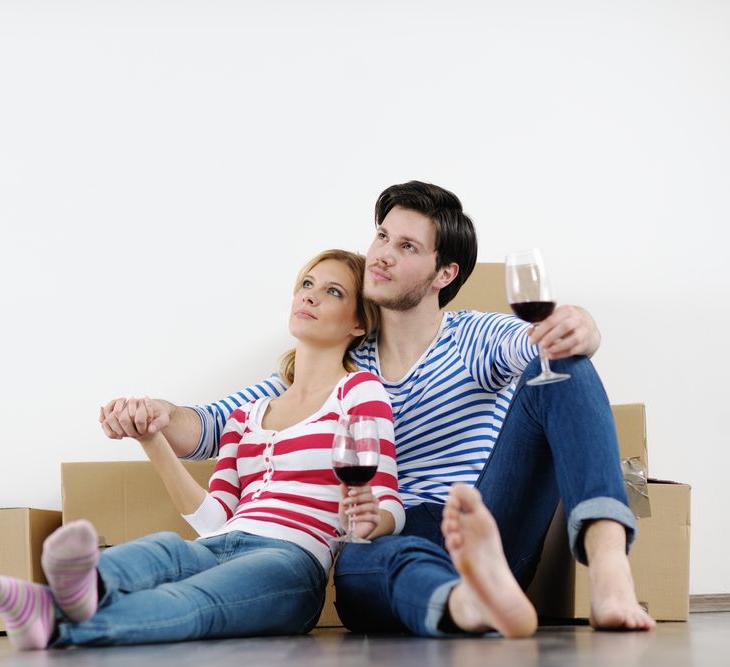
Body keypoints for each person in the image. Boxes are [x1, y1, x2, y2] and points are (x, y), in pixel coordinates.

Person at [101, 181, 655, 638]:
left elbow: (539, 344)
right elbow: (213, 426)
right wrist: (154, 412)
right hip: (395, 534)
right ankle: (467, 604)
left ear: (446, 275)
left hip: (485, 517)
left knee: (560, 361)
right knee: (359, 558)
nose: (383, 253)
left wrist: (580, 324)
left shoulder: (475, 337)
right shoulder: (338, 361)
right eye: (383, 236)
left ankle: (609, 569)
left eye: (407, 247)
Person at [0, 249, 403, 650]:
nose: (309, 295)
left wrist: (369, 518)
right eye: (306, 284)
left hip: (291, 558)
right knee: (168, 548)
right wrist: (152, 441)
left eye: (332, 292)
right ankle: (56, 591)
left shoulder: (358, 392)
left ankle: (54, 613)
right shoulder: (247, 414)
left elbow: (388, 504)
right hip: (224, 541)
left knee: (190, 602)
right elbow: (214, 520)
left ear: (359, 322)